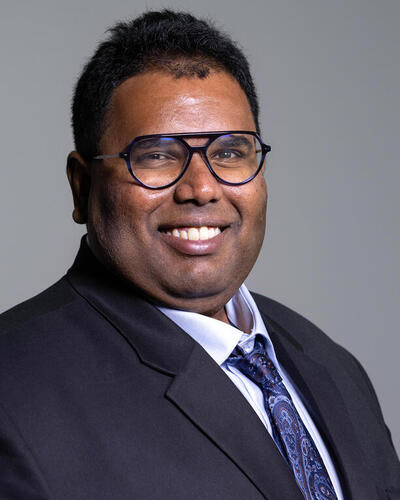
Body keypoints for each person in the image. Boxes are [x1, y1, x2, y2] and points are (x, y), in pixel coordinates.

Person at [0, 9, 399, 500]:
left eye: (230, 152)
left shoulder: (330, 365)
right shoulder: (14, 391)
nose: (202, 188)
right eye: (156, 155)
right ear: (82, 186)